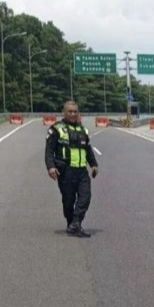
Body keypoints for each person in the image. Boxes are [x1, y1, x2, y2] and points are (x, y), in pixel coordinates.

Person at [44, 100, 98, 238]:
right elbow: (49, 151)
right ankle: (72, 224)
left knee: (85, 197)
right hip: (65, 171)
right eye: (70, 111)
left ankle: (76, 223)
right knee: (68, 201)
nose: (73, 114)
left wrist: (93, 165)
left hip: (81, 172)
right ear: (64, 112)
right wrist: (51, 167)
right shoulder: (56, 129)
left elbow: (88, 149)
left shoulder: (82, 129)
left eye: (75, 111)